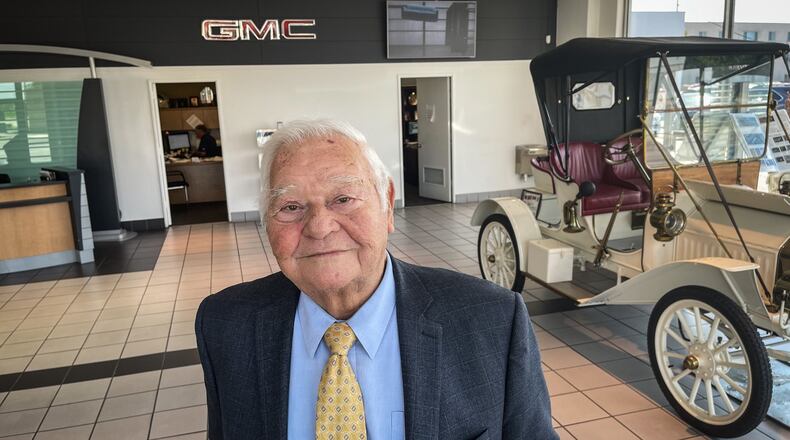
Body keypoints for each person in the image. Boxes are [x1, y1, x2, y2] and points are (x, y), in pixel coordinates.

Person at [195, 119, 556, 440]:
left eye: (343, 198)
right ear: (266, 222)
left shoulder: (491, 318)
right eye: (290, 207)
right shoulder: (225, 324)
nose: (319, 227)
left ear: (387, 203)